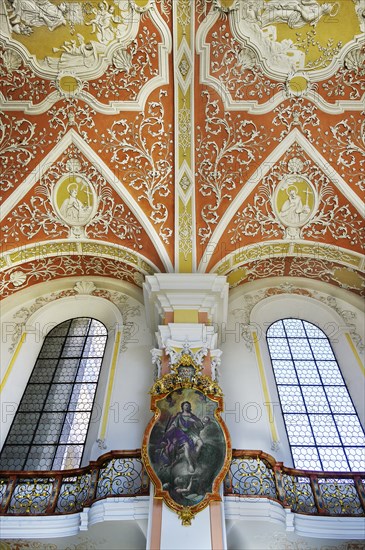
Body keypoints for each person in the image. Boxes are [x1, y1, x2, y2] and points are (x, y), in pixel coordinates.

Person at [163, 401, 204, 473]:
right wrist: (167, 431)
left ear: (190, 407)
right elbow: (174, 425)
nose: (187, 407)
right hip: (181, 434)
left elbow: (201, 426)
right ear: (182, 407)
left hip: (191, 433)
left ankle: (194, 457)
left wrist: (194, 421)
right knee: (186, 446)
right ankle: (190, 464)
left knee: (201, 444)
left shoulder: (192, 416)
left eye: (188, 405)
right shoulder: (179, 416)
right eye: (185, 405)